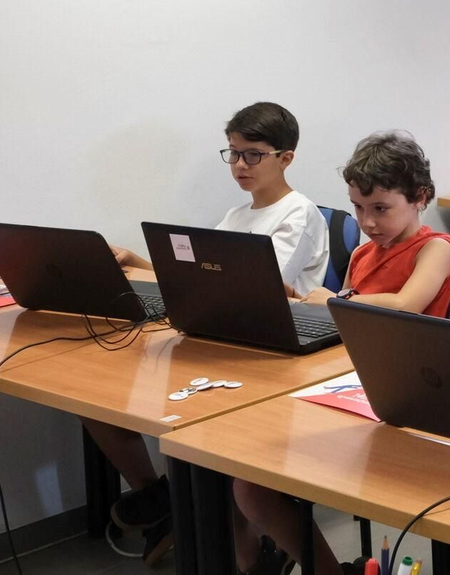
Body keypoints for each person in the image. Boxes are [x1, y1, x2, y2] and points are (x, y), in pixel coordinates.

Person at [95, 102, 330, 565]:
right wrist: (139, 264)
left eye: (253, 155)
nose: (240, 165)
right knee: (110, 400)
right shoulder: (237, 215)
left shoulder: (298, 214)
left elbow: (257, 287)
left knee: (201, 441)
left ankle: (242, 554)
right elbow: (204, 275)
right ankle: (171, 506)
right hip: (230, 338)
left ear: (286, 158)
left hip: (278, 352)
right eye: (234, 154)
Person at [236, 131, 450, 575]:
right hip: (350, 378)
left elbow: (404, 305)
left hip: (403, 392)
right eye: (359, 208)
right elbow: (346, 314)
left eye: (380, 208)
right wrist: (298, 298)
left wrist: (335, 302)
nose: (368, 221)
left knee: (251, 484)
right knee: (242, 472)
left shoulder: (435, 248)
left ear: (419, 198)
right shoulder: (365, 252)